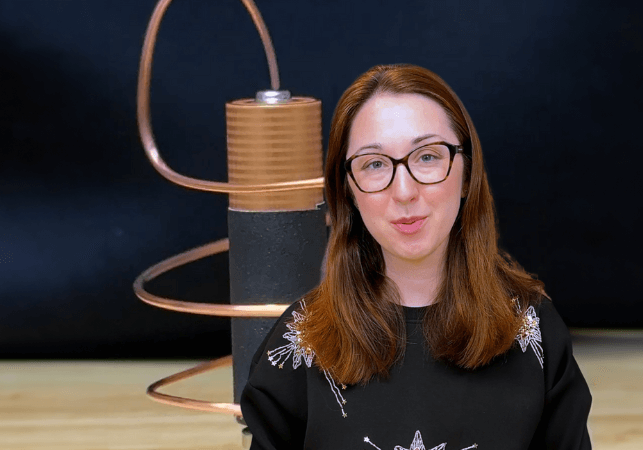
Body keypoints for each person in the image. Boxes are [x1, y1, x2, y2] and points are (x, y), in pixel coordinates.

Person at [241, 64, 592, 449]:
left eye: (427, 157)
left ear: (467, 172)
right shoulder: (299, 342)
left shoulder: (535, 330)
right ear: (349, 192)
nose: (404, 191)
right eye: (374, 164)